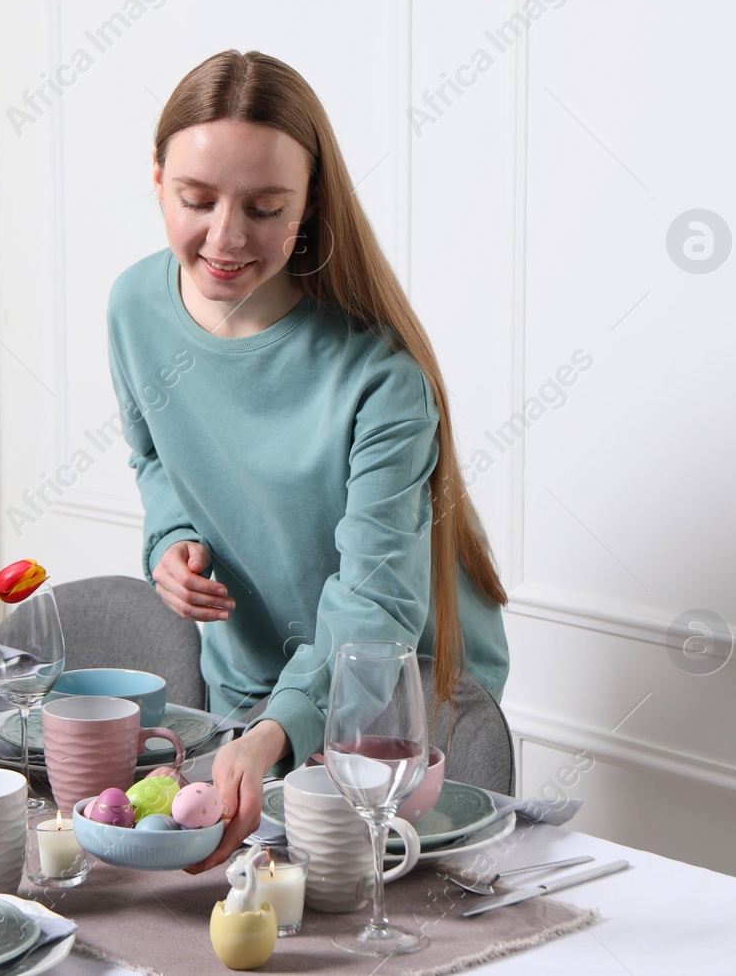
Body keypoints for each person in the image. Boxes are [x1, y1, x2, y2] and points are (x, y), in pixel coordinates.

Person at [106, 50, 510, 874]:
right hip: (248, 685)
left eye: (264, 207)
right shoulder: (134, 308)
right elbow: (151, 455)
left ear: (310, 204)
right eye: (196, 199)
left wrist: (277, 728)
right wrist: (169, 540)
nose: (224, 237)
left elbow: (372, 606)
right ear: (157, 182)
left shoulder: (380, 377)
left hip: (397, 708)